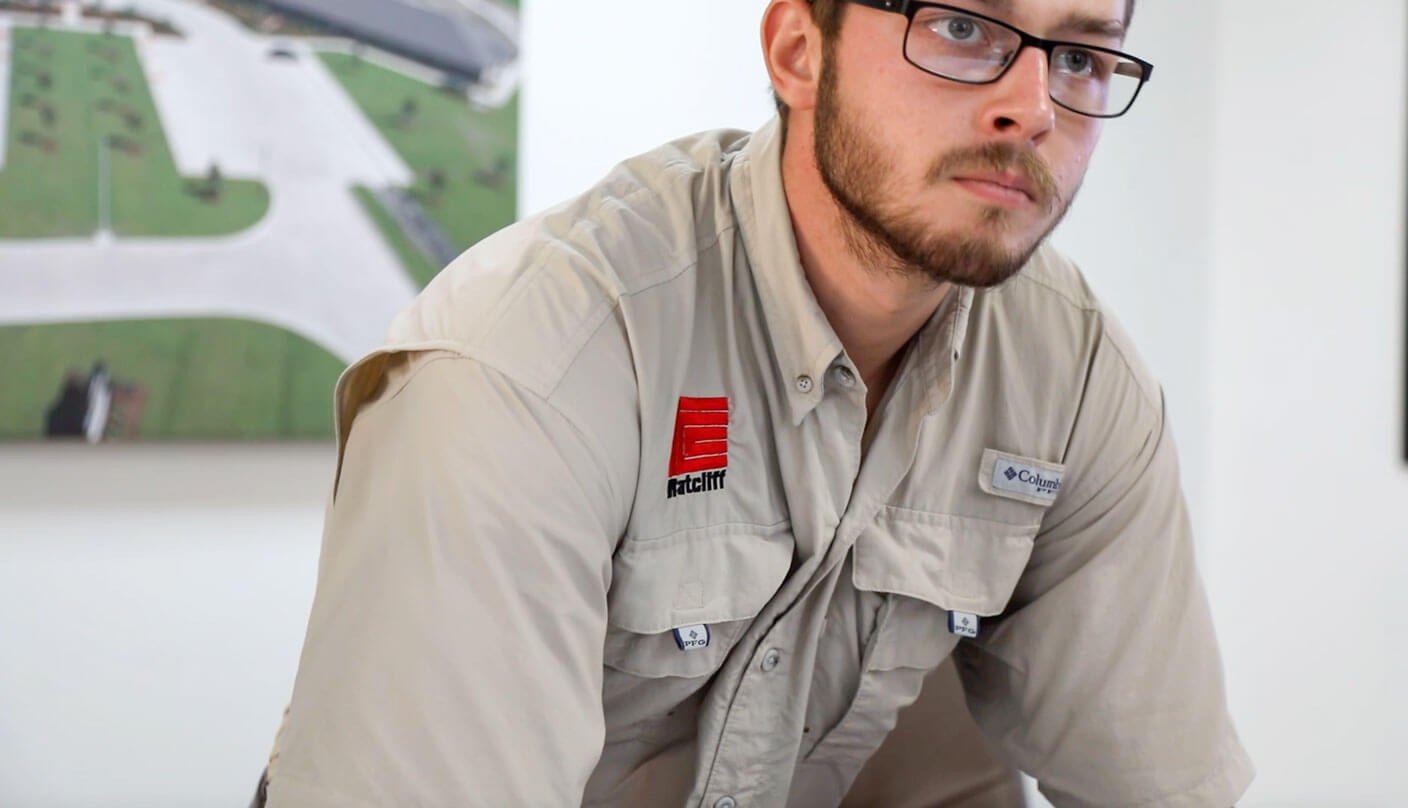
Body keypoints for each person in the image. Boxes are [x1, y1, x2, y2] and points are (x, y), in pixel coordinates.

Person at [263, 0, 1254, 805]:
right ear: (797, 52)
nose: (1033, 107)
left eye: (1081, 56)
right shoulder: (532, 361)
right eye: (962, 29)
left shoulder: (1072, 370)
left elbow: (1159, 785)